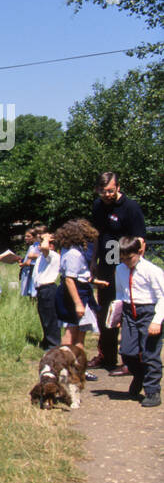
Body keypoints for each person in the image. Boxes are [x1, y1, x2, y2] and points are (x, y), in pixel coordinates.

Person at [89, 172, 148, 374]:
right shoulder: (98, 206)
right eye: (103, 191)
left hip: (125, 263)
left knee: (127, 310)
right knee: (105, 310)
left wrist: (135, 268)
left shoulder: (131, 207)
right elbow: (97, 236)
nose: (107, 195)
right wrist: (93, 261)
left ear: (118, 187)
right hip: (106, 263)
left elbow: (140, 240)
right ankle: (107, 355)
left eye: (111, 191)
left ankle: (131, 360)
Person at [113, 237, 163, 407]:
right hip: (129, 312)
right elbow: (120, 293)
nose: (126, 262)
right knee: (127, 351)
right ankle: (139, 374)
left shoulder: (152, 270)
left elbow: (162, 297)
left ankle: (152, 391)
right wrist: (117, 314)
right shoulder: (120, 270)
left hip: (149, 312)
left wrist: (157, 321)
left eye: (130, 258)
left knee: (150, 353)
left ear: (140, 252)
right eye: (123, 259)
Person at [52, 218, 100, 354]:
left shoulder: (73, 250)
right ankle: (64, 365)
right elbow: (69, 279)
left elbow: (80, 275)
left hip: (80, 291)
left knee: (80, 333)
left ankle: (78, 366)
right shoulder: (74, 254)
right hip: (75, 295)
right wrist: (78, 303)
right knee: (71, 332)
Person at [33, 229, 62, 349]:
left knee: (50, 319)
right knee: (44, 317)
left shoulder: (52, 255)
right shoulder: (43, 256)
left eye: (43, 243)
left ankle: (53, 345)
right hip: (42, 290)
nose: (40, 245)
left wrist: (46, 238)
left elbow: (45, 248)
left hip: (48, 288)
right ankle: (47, 341)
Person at [19, 228, 40, 298]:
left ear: (34, 237)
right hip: (34, 269)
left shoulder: (33, 247)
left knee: (32, 291)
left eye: (28, 236)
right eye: (25, 236)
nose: (26, 238)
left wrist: (22, 264)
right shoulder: (36, 245)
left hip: (32, 269)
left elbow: (28, 262)